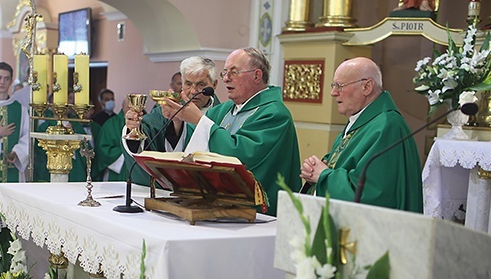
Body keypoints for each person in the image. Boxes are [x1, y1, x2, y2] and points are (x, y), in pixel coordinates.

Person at [160, 47, 301, 216]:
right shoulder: (223, 110)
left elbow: (240, 156)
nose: (226, 78)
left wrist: (199, 120)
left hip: (257, 216)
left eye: (233, 72)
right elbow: (192, 150)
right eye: (225, 73)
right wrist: (178, 122)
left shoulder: (275, 114)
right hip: (217, 208)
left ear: (257, 75)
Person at [299, 57, 422, 212]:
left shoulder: (387, 127)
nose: (333, 92)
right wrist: (319, 167)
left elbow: (374, 195)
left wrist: (323, 175)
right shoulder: (362, 121)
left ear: (367, 86)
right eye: (333, 85)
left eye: (339, 85)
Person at [124, 58, 220, 185]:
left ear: (214, 85)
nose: (193, 91)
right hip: (171, 190)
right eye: (188, 84)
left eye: (201, 85)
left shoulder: (223, 113)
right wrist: (133, 127)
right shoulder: (166, 110)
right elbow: (148, 133)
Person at [93, 96, 130, 181]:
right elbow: (103, 149)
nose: (132, 110)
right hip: (116, 171)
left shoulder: (144, 125)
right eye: (129, 107)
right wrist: (126, 153)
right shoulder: (110, 124)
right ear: (123, 107)